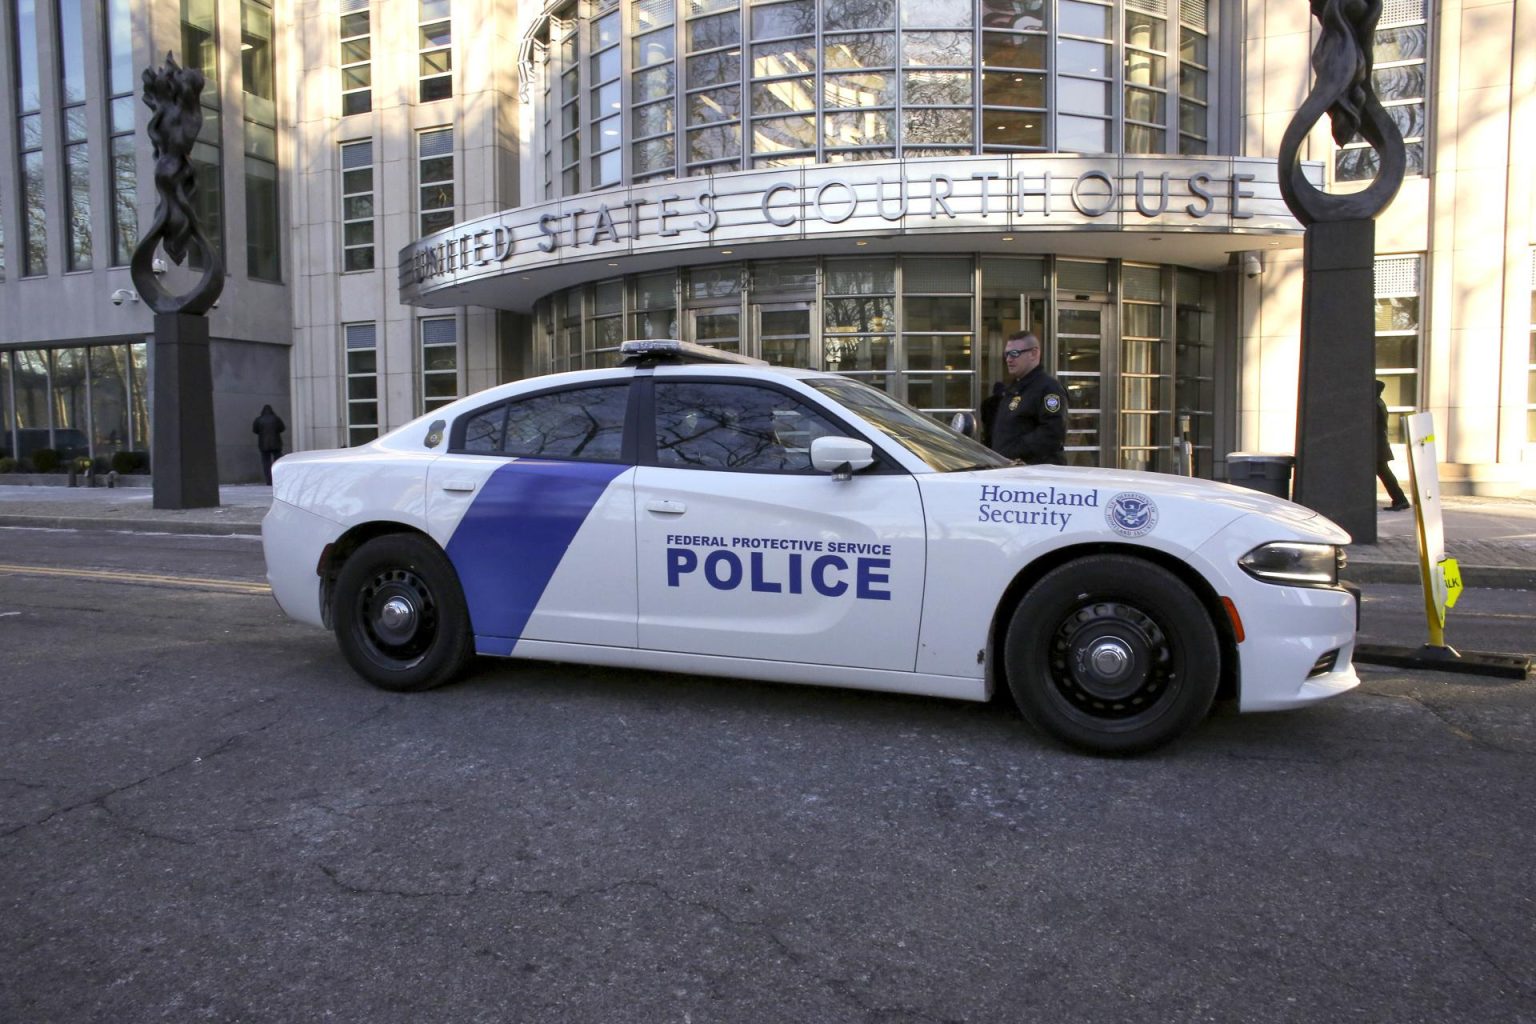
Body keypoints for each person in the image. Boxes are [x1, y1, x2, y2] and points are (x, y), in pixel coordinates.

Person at [988, 331, 1067, 465]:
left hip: (1036, 475)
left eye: (1014, 354)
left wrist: (1013, 451)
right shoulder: (1015, 388)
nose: (1008, 359)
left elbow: (1052, 433)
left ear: (1034, 353)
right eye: (1006, 354)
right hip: (1013, 472)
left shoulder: (1049, 389)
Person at [1376, 380, 1410, 511]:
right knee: (1386, 475)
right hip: (1380, 446)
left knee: (1386, 475)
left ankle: (1400, 499)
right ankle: (1400, 499)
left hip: (1377, 447)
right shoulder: (1379, 403)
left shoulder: (1375, 404)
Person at [253, 404, 286, 485]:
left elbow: (255, 430)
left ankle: (269, 481)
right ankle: (278, 479)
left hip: (263, 445)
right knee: (278, 463)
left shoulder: (259, 419)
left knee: (266, 463)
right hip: (276, 444)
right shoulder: (276, 419)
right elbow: (282, 428)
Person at [977, 381, 1005, 448]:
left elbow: (983, 418)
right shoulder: (1005, 402)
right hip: (1001, 434)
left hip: (989, 433)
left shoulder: (986, 402)